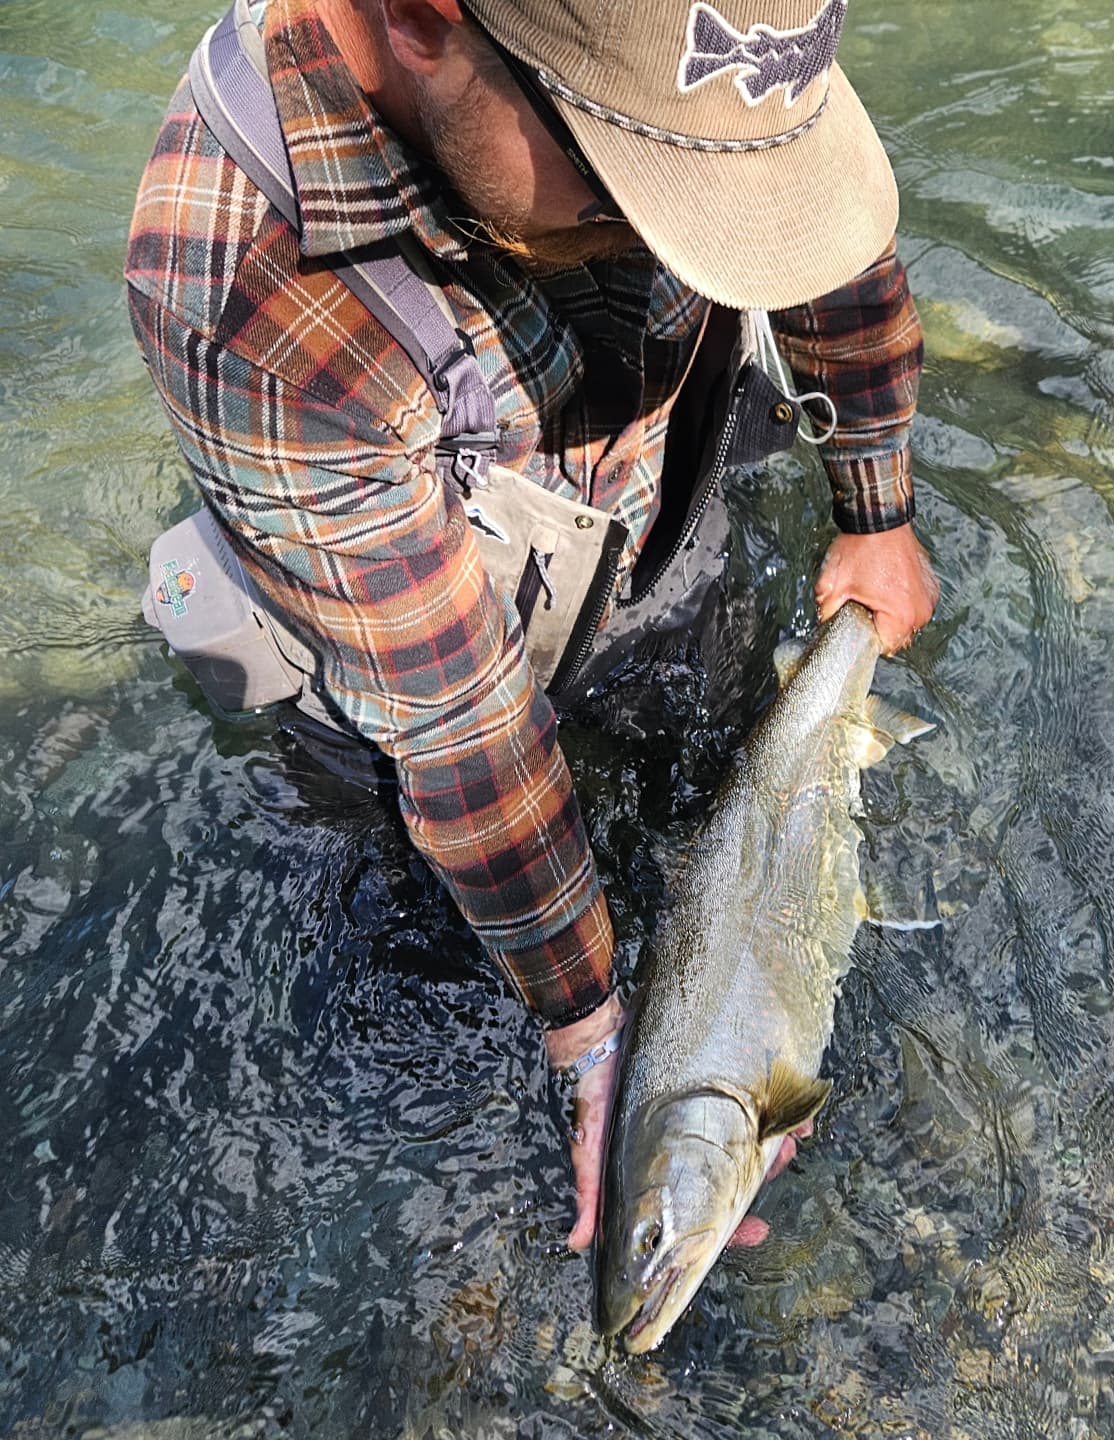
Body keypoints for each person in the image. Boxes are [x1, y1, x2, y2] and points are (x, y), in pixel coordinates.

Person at [126, 0, 937, 1255]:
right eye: (636, 185)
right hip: (392, 648)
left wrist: (874, 505)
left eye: (704, 194)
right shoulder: (237, 282)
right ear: (421, 21)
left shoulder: (707, 50)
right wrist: (592, 1032)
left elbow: (804, 230)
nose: (673, 237)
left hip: (644, 518)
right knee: (422, 982)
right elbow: (459, 724)